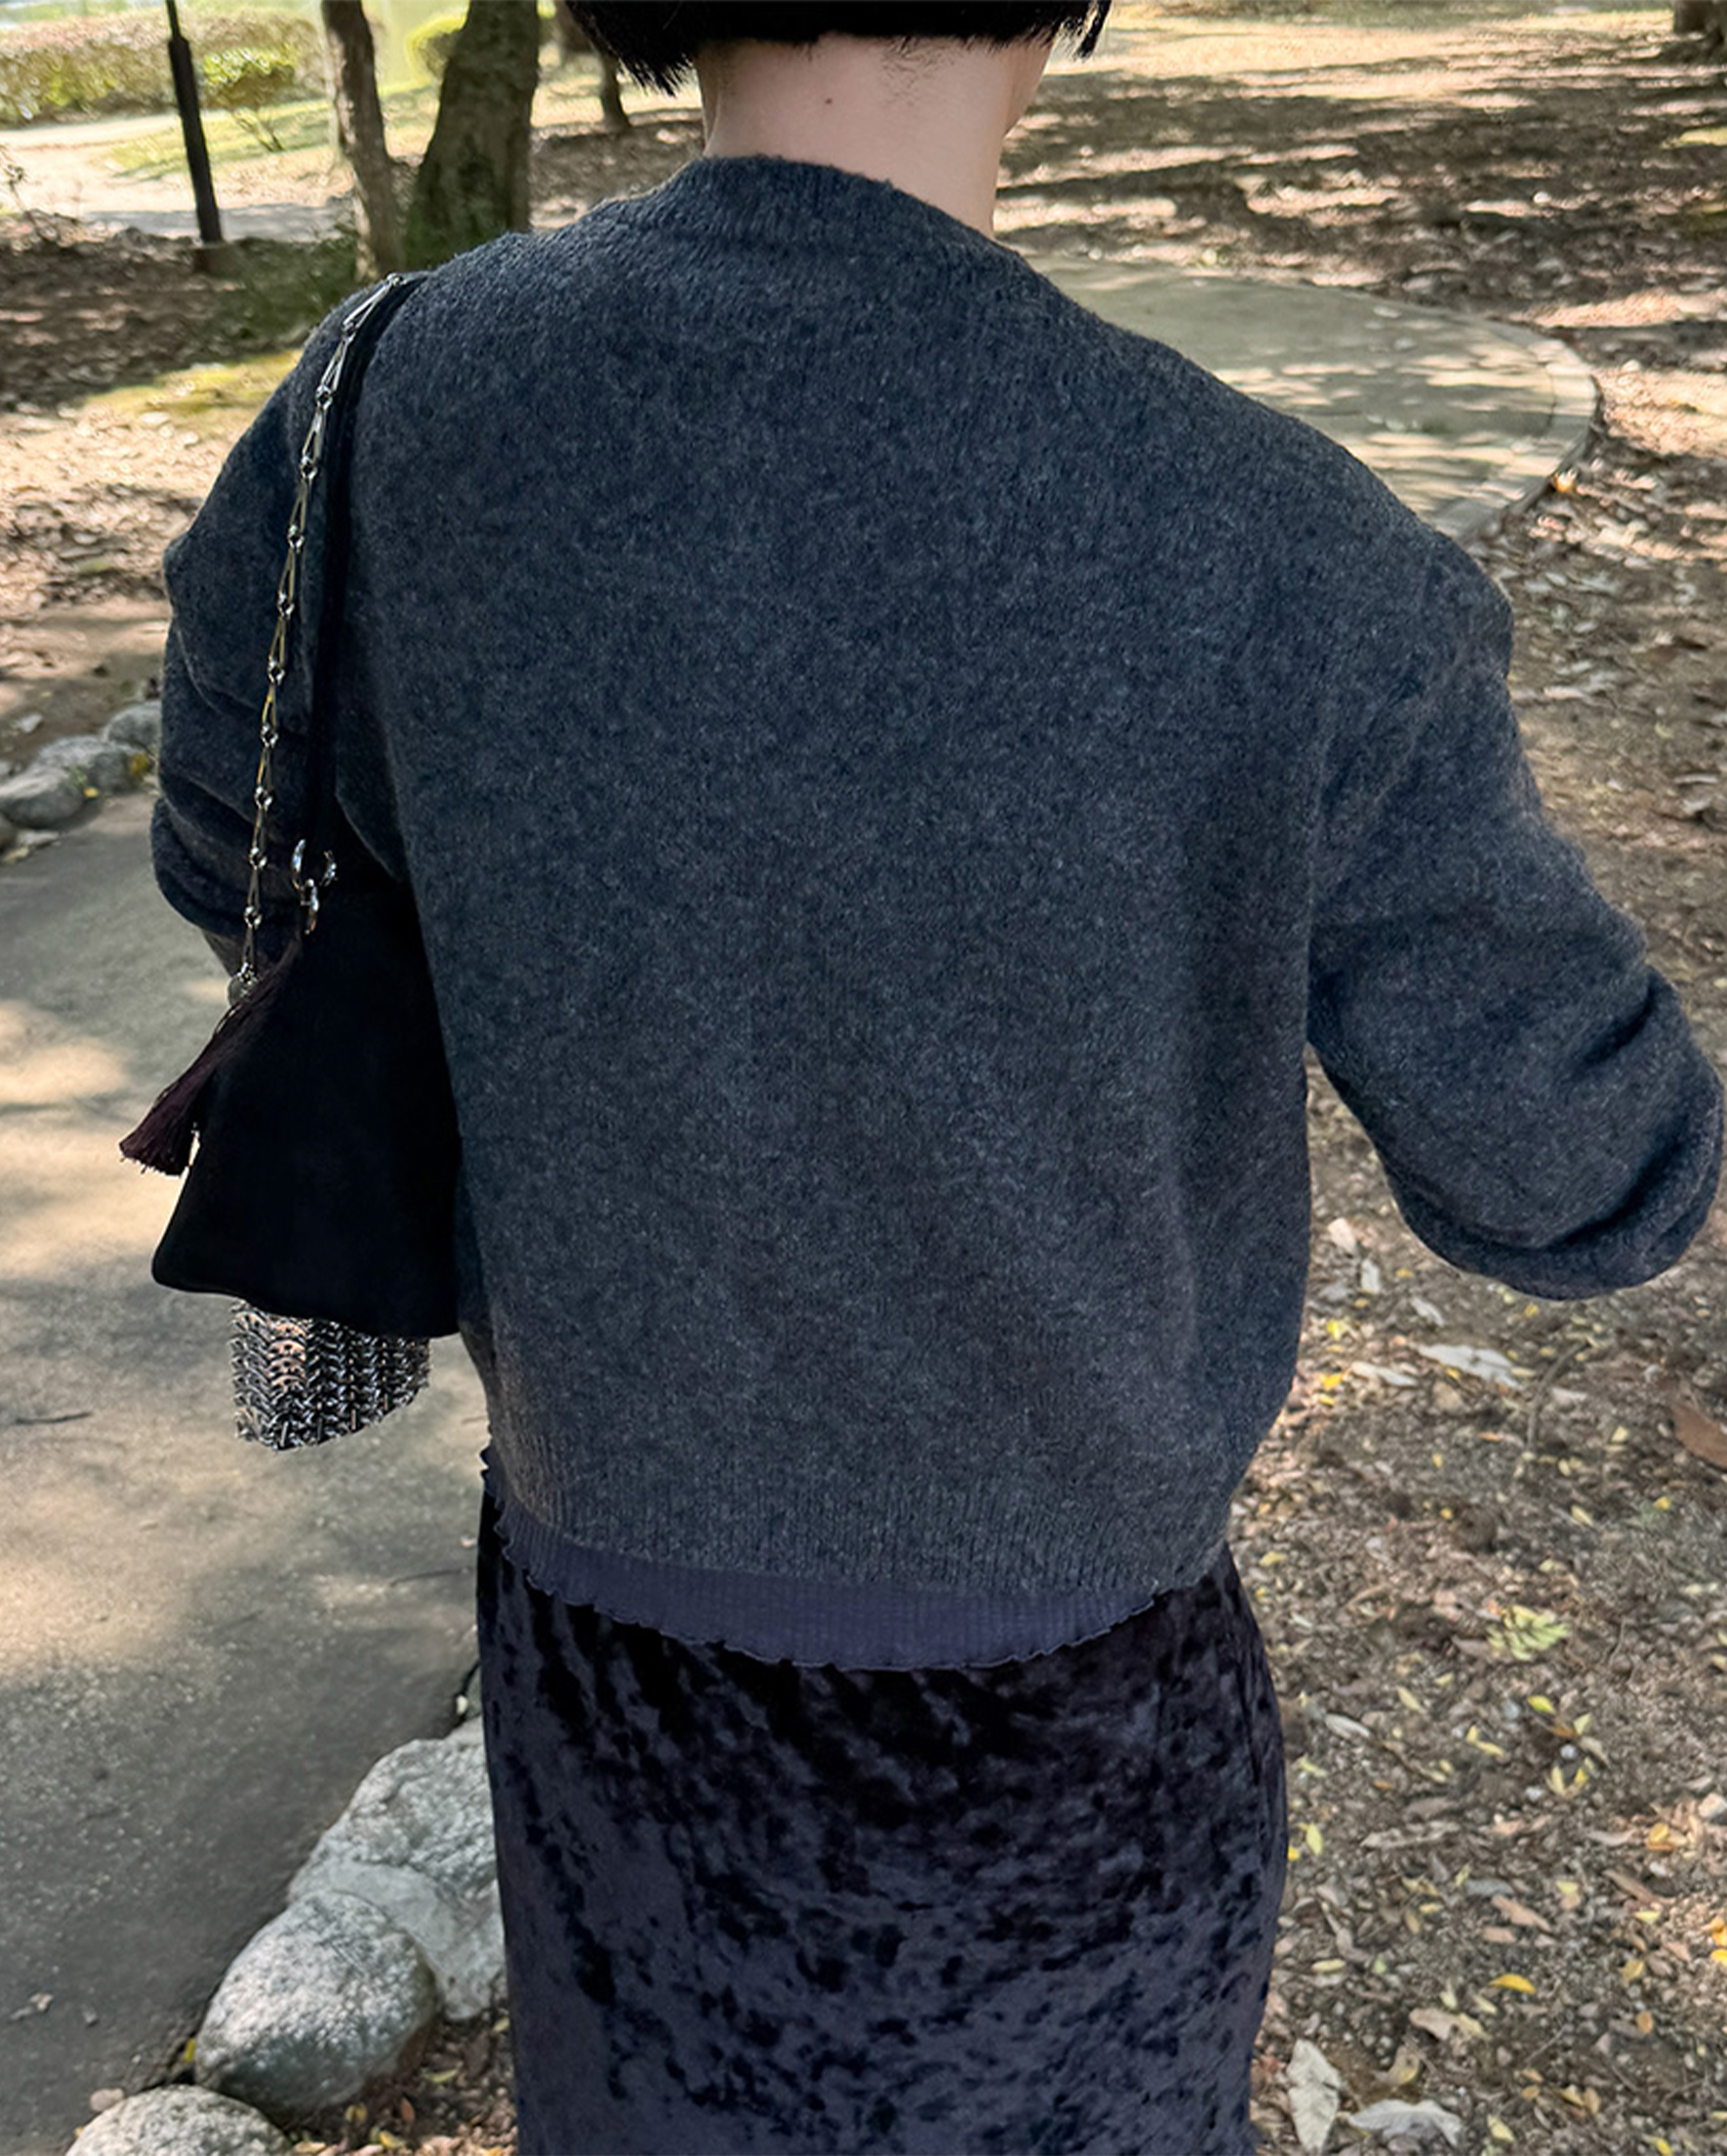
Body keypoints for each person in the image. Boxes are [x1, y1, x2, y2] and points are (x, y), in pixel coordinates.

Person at [148, 3, 1723, 2149]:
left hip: (609, 1681)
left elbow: (231, 856)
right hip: (1073, 1748)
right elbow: (1585, 1181)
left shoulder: (383, 405)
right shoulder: (1296, 552)